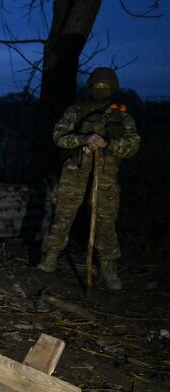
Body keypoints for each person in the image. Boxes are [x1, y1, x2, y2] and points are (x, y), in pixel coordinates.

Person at [37, 67, 141, 290]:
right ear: (90, 87)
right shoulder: (75, 111)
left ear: (113, 88)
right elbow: (58, 136)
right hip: (74, 174)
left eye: (106, 86)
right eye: (97, 85)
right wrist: (84, 139)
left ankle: (109, 269)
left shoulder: (122, 116)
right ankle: (50, 258)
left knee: (105, 224)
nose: (101, 89)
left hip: (106, 178)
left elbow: (133, 145)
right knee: (63, 217)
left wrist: (108, 144)